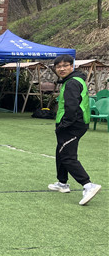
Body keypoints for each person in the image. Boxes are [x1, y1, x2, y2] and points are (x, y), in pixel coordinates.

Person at [48, 54, 101, 205]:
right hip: (72, 124)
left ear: (72, 66)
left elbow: (72, 107)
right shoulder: (73, 81)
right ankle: (62, 183)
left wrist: (65, 125)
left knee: (67, 156)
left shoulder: (72, 83)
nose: (61, 69)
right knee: (61, 151)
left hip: (72, 125)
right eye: (58, 66)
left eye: (65, 66)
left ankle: (88, 185)